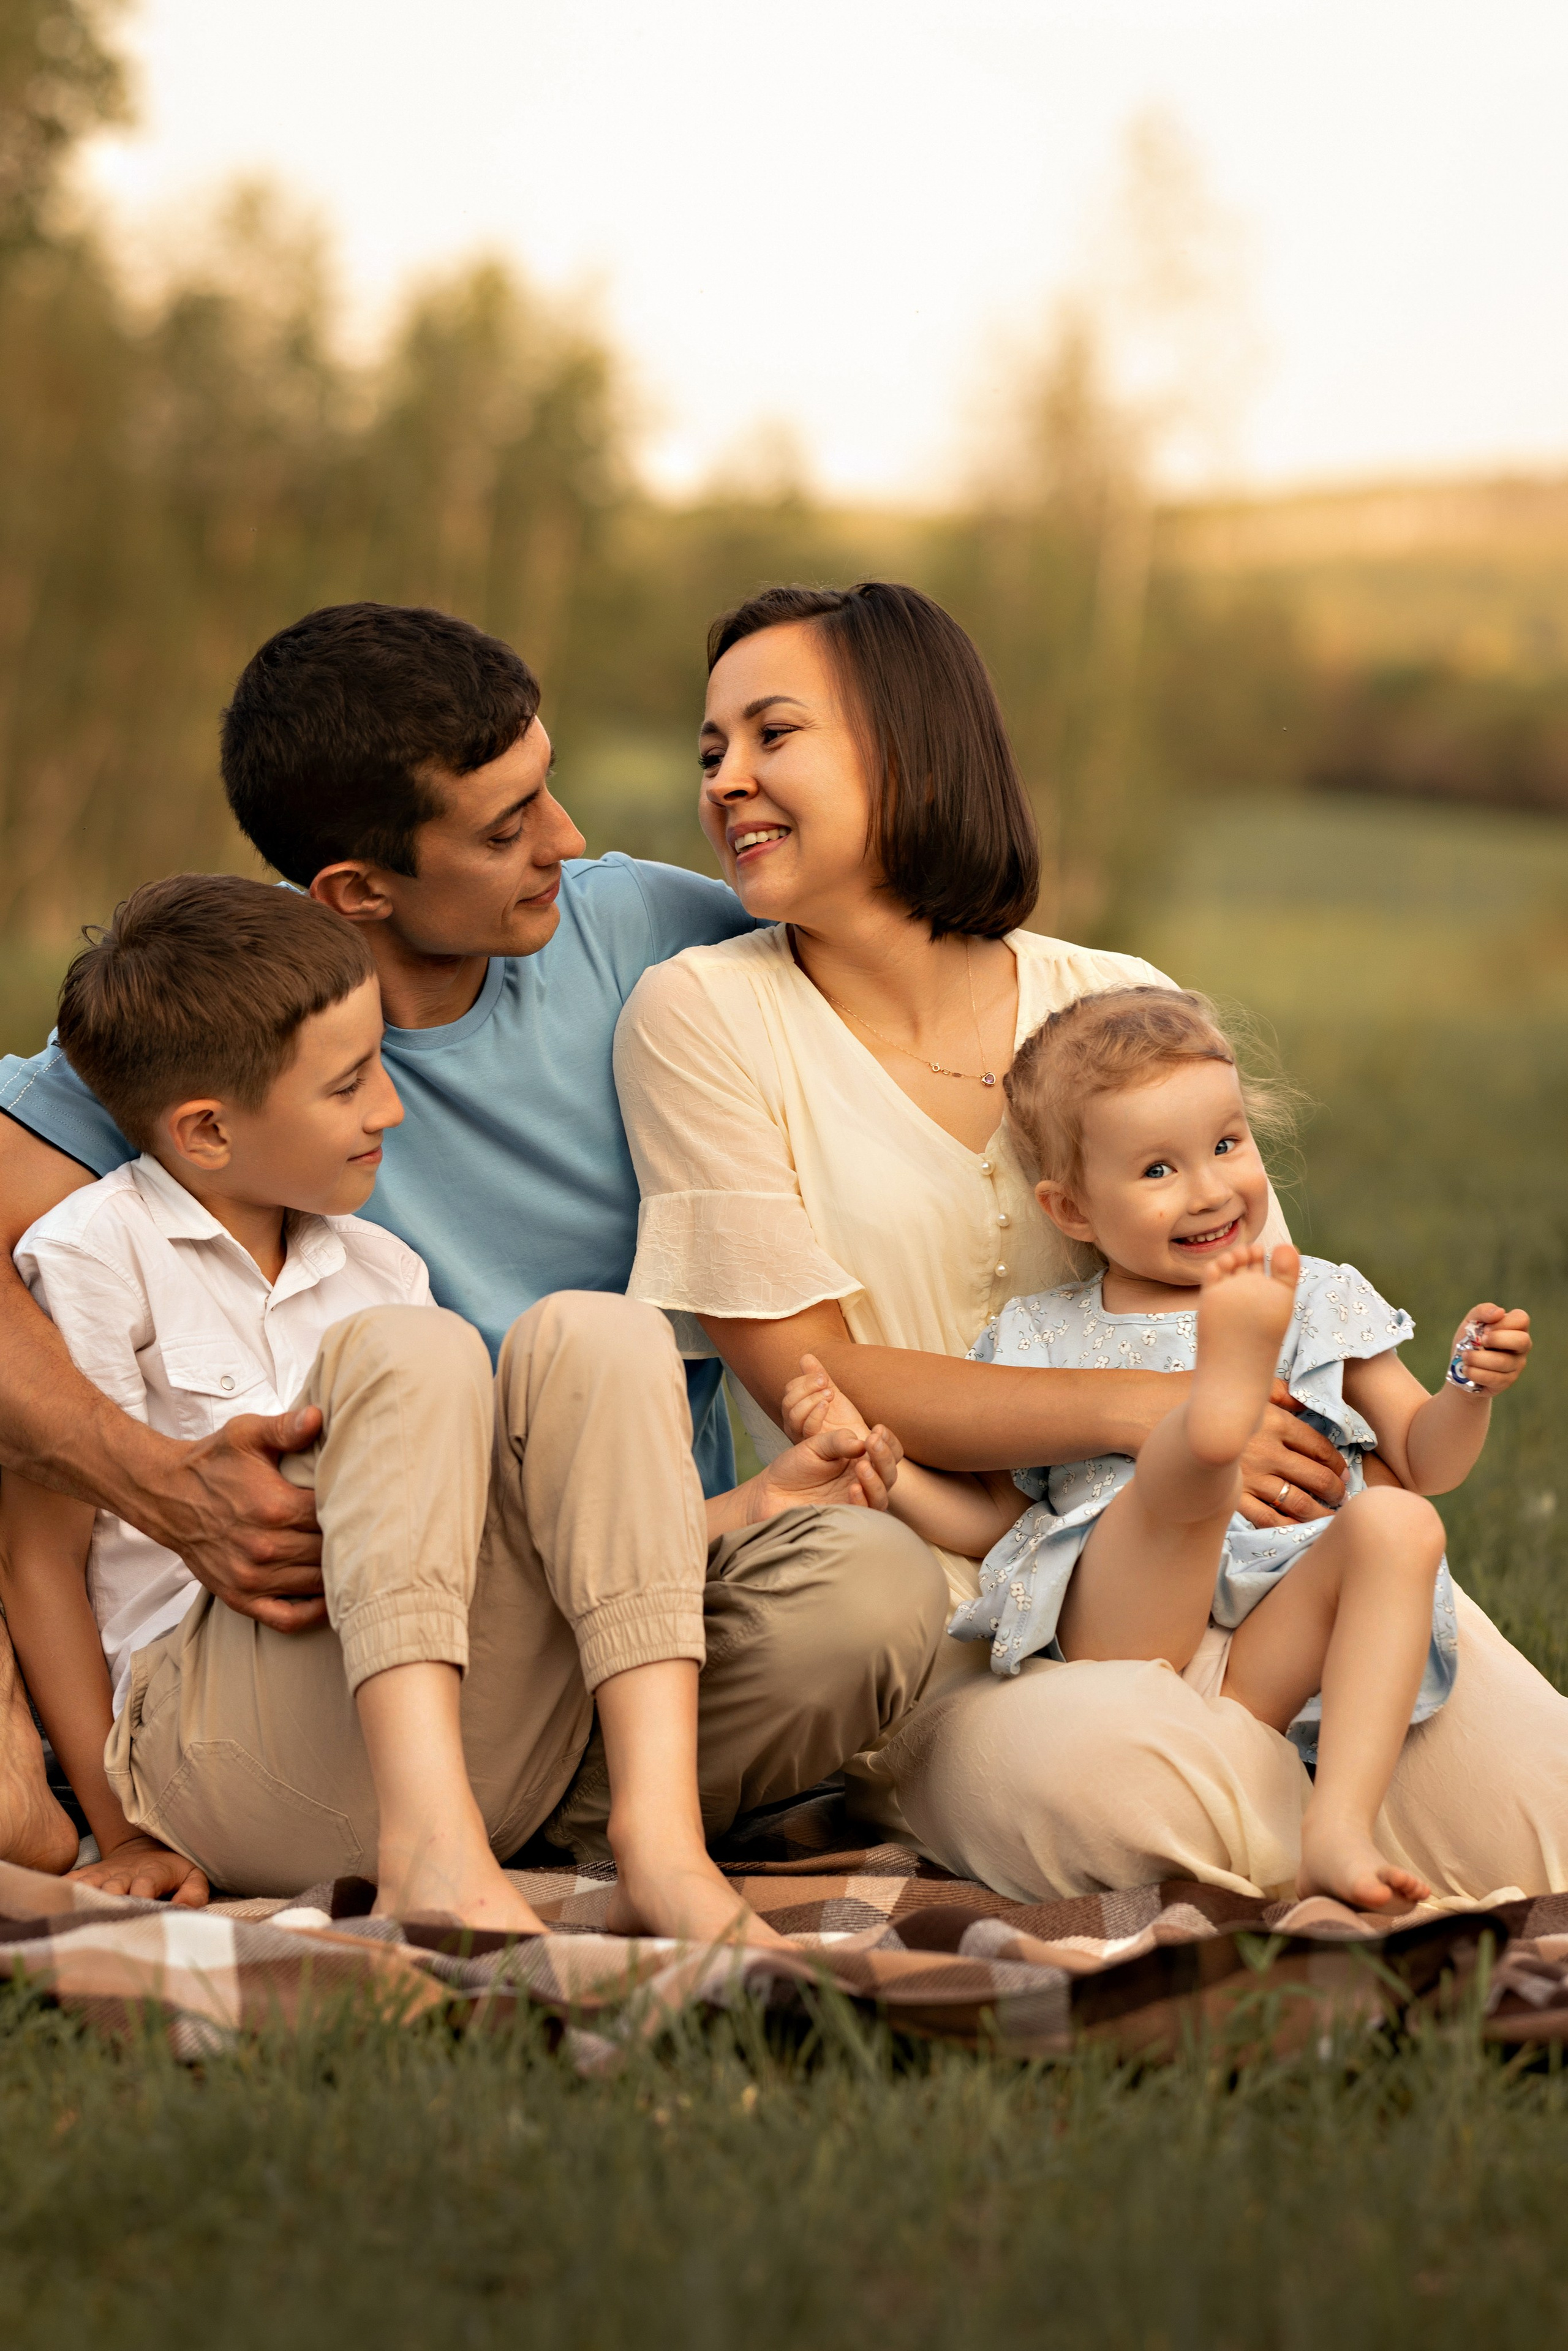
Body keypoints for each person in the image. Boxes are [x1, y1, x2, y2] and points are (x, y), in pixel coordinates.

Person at [613, 578, 1568, 1903]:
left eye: (773, 734)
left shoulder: (1114, 997)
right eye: (710, 749)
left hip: (1275, 1574)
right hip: (953, 1613)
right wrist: (1156, 1410)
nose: (726, 779)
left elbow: (1265, 1297)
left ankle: (1324, 1807)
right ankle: (1310, 1838)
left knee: (1548, 1814)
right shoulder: (701, 1015)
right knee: (1137, 1787)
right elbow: (811, 1374)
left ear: (909, 745)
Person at [0, 603, 948, 1881]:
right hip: (316, 1651)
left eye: (546, 786)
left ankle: (562, 1815)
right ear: (357, 890)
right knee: (419, 1360)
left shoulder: (649, 935)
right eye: (505, 829)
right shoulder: (225, 1019)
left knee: (864, 1594)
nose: (567, 838)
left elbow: (926, 975)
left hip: (606, 1613)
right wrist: (150, 1478)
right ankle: (444, 1815)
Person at [783, 986, 1533, 1910]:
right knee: (1179, 1480)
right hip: (1134, 1628)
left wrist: (1467, 1390)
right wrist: (885, 1472)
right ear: (1072, 1210)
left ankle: (1337, 1829)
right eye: (1157, 1170)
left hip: (1275, 1654)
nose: (1210, 1189)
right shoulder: (1043, 1333)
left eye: (1227, 1145)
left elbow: (1427, 1463)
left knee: (1401, 1525)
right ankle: (1206, 1429)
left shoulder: (1320, 1296)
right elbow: (995, 1519)